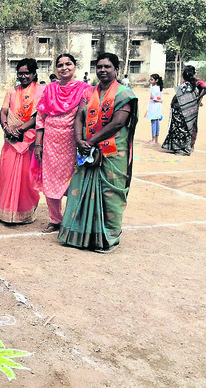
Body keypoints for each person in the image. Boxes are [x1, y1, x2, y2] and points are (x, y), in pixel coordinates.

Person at [59, 52, 138, 253]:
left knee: (109, 194)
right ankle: (81, 237)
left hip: (112, 152)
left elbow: (118, 123)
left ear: (116, 70)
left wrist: (90, 141)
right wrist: (79, 140)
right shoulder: (88, 94)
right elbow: (79, 117)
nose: (103, 70)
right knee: (81, 190)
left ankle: (109, 239)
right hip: (88, 151)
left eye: (107, 67)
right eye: (99, 67)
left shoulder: (123, 94)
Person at [34, 53, 92, 233]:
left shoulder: (85, 89)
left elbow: (89, 116)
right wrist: (38, 144)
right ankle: (55, 219)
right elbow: (40, 118)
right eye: (60, 65)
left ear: (75, 66)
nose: (64, 68)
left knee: (74, 181)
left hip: (73, 143)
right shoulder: (49, 89)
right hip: (51, 143)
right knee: (50, 181)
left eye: (68, 64)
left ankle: (73, 219)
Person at [0, 58, 45, 224]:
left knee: (26, 178)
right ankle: (7, 213)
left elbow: (38, 116)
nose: (23, 76)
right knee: (7, 174)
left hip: (28, 141)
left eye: (27, 73)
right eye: (20, 73)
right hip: (10, 141)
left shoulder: (40, 91)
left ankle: (25, 213)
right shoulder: (11, 91)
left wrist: (20, 129)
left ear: (33, 74)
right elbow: (3, 111)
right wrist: (5, 126)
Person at [161, 65, 206, 155]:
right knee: (188, 127)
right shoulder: (191, 83)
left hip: (188, 109)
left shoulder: (196, 82)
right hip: (189, 108)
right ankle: (184, 146)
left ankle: (189, 146)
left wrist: (198, 99)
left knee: (187, 127)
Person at [146, 73, 163, 145]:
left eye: (152, 79)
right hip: (158, 106)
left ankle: (153, 139)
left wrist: (159, 100)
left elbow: (154, 98)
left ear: (156, 80)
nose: (150, 81)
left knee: (153, 122)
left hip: (154, 106)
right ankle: (156, 139)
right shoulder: (159, 87)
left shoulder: (154, 88)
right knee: (157, 123)